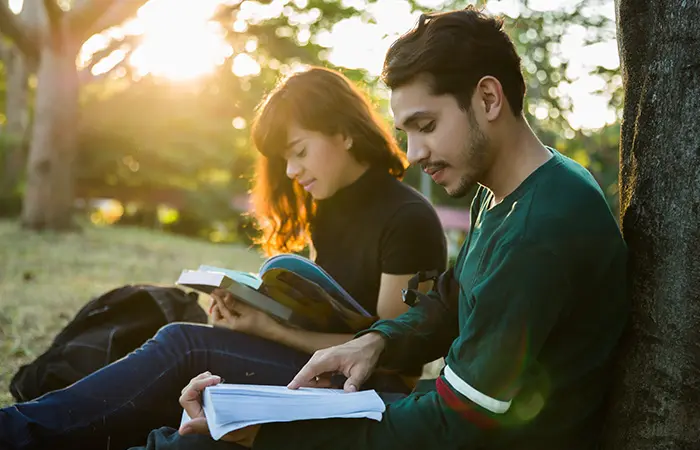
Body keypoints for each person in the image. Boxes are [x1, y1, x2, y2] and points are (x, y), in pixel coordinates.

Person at [149, 6, 630, 450]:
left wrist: (273, 436)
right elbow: (449, 298)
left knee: (209, 439)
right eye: (407, 133)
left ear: (487, 97)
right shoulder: (510, 190)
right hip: (455, 421)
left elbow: (457, 423)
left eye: (427, 124)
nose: (416, 152)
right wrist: (375, 342)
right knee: (206, 424)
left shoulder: (540, 227)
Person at [0, 67, 447, 450]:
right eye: (285, 159)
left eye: (300, 152)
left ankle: (16, 430)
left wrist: (267, 329)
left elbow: (391, 362)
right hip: (310, 365)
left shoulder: (408, 218)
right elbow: (330, 314)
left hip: (367, 391)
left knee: (186, 344)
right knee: (183, 378)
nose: (291, 171)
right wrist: (256, 306)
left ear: (344, 134)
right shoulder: (330, 206)